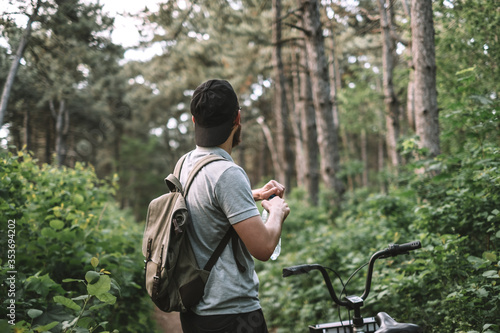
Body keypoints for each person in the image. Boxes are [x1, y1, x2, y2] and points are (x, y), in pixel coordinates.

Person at [178, 79, 290, 333]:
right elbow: (262, 248)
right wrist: (277, 212)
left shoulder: (186, 164)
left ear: (194, 120)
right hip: (232, 314)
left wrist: (253, 195)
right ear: (237, 118)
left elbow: (204, 204)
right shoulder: (228, 173)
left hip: (195, 313)